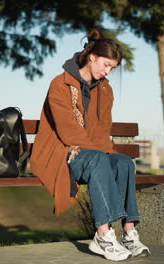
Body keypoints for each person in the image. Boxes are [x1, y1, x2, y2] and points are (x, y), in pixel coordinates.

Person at [30, 29, 150, 261]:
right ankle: (103, 235)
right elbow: (67, 131)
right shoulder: (60, 84)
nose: (107, 72)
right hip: (61, 153)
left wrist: (103, 153)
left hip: (91, 155)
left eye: (112, 68)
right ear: (92, 56)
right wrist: (98, 154)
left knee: (124, 162)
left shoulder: (105, 90)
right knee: (98, 159)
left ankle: (128, 232)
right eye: (105, 65)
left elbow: (103, 129)